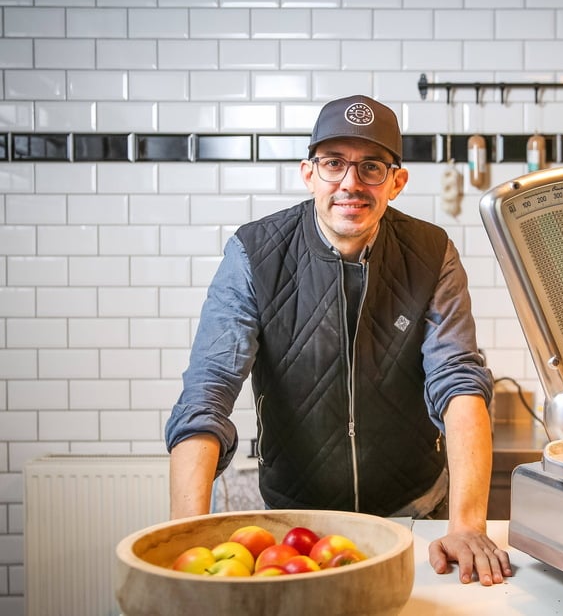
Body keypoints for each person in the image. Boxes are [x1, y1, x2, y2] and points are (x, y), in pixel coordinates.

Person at [165, 94, 512, 586]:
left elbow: (459, 382)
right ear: (309, 173)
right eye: (333, 164)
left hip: (414, 515)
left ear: (397, 181)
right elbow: (208, 392)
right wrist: (186, 535)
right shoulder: (253, 253)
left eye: (371, 167)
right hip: (297, 531)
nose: (350, 183)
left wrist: (468, 526)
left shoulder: (432, 253)